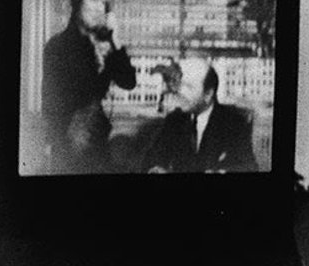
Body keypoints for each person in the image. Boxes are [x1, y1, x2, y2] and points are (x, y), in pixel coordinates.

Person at [41, 0, 135, 174]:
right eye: (92, 1)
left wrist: (115, 39)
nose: (98, 8)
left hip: (97, 139)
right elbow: (50, 102)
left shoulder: (105, 44)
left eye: (102, 2)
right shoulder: (58, 46)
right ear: (77, 6)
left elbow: (129, 82)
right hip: (68, 141)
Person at [142, 58, 259, 174]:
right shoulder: (174, 120)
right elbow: (151, 159)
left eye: (188, 87)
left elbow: (248, 167)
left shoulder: (233, 123)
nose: (180, 91)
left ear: (208, 94)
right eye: (179, 84)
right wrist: (155, 168)